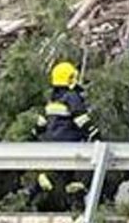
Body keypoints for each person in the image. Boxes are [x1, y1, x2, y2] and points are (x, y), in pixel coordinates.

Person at [27, 61, 100, 210]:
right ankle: (72, 196)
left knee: (63, 174)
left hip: (50, 143)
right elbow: (80, 118)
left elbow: (41, 122)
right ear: (70, 78)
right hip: (68, 142)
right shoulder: (72, 97)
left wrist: (34, 134)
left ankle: (41, 190)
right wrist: (94, 133)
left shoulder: (52, 98)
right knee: (79, 173)